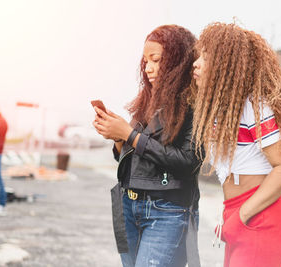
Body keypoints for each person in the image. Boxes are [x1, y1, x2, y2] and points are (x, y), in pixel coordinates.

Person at [191, 23, 281, 267]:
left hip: (264, 218)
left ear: (225, 66)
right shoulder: (225, 109)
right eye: (198, 55)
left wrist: (241, 216)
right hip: (242, 214)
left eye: (205, 57)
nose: (196, 63)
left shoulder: (255, 107)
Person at [93, 25, 203, 267]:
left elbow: (187, 162)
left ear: (178, 60)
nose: (148, 68)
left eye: (156, 60)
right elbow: (135, 160)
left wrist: (130, 134)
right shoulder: (148, 99)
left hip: (166, 211)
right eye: (145, 61)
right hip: (126, 206)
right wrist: (118, 137)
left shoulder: (194, 103)